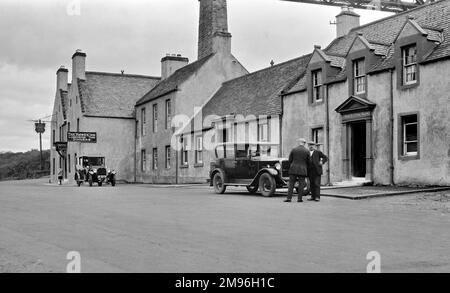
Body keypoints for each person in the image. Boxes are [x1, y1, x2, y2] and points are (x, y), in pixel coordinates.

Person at [284, 138, 310, 203]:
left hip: (293, 169)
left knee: (291, 184)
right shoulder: (307, 151)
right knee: (301, 185)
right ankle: (299, 199)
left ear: (299, 142)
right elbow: (309, 162)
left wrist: (293, 164)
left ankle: (289, 198)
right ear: (304, 143)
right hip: (302, 170)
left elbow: (290, 160)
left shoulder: (294, 149)